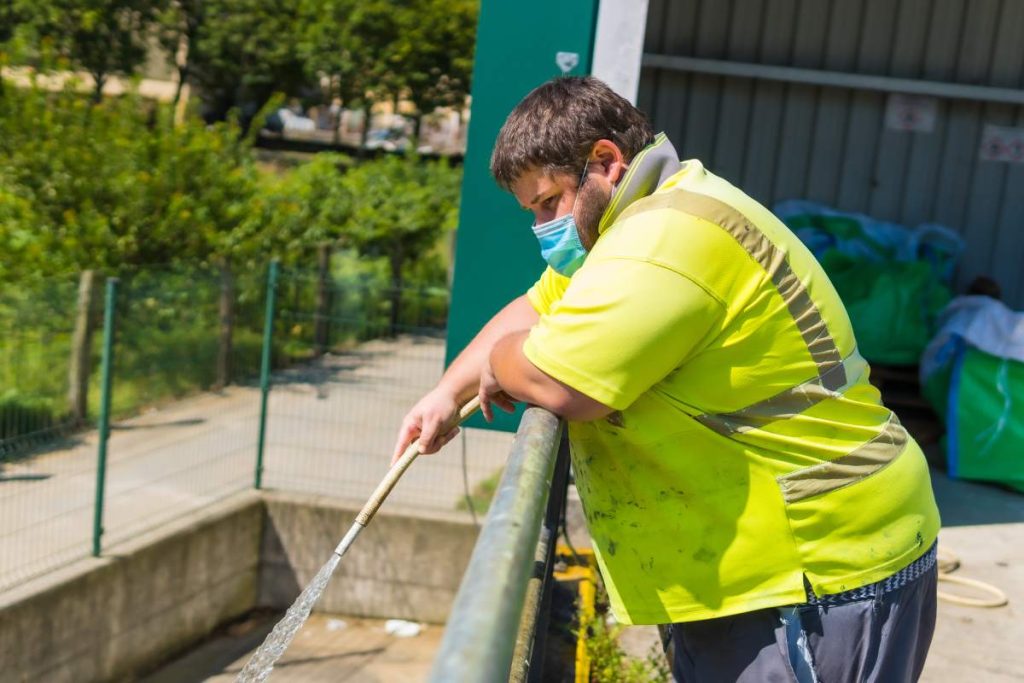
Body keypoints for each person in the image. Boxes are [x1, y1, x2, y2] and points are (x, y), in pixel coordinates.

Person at [393, 76, 941, 682]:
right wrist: (447, 392)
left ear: (605, 160)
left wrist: (502, 363)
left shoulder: (663, 240)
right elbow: (534, 307)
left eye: (548, 202)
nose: (542, 227)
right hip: (763, 560)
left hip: (814, 564)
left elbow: (560, 385)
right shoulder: (634, 224)